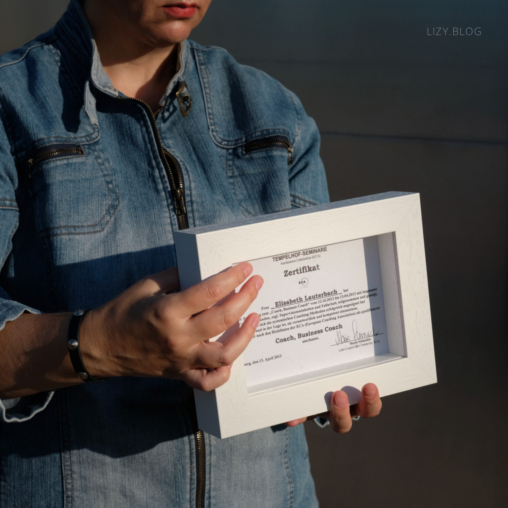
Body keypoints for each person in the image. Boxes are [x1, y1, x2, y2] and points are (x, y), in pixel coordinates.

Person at [0, 1, 382, 506]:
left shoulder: (271, 110)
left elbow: (306, 322)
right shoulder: (12, 107)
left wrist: (324, 378)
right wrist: (96, 344)